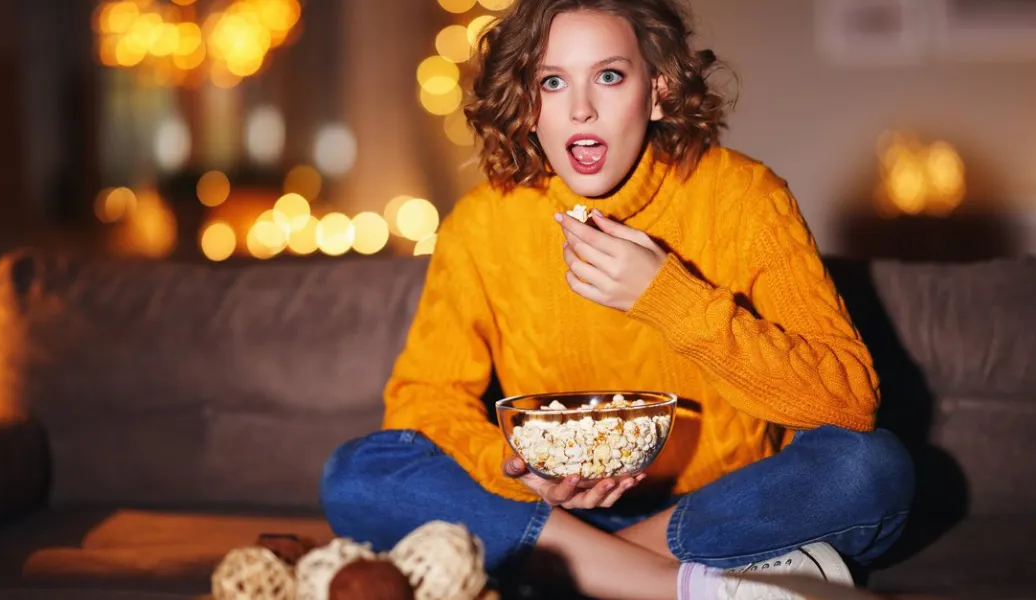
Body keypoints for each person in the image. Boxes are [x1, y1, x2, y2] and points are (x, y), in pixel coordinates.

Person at [320, 1, 914, 598]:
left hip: (723, 504)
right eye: (552, 81)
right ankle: (695, 585)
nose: (581, 107)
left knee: (870, 468)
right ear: (527, 105)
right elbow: (423, 399)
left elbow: (850, 399)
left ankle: (578, 574)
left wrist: (669, 297)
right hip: (551, 509)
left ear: (656, 91)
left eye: (609, 75)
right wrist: (516, 469)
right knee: (358, 472)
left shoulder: (743, 198)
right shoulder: (482, 223)